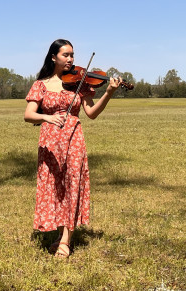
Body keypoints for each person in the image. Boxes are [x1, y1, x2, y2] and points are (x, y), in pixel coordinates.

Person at [24, 39, 121, 258]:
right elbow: (28, 115)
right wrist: (48, 117)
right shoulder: (41, 84)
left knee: (71, 184)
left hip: (73, 139)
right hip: (49, 142)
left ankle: (66, 241)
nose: (71, 59)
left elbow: (92, 113)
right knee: (55, 186)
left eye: (72, 55)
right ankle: (60, 235)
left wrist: (109, 93)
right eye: (65, 55)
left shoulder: (81, 83)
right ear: (53, 57)